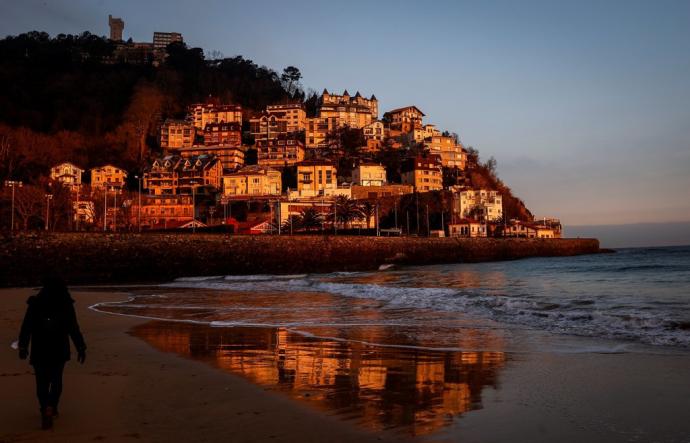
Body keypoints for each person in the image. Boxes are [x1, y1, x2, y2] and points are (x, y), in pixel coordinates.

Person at [18, 273, 86, 430]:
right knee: (56, 379)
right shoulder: (66, 304)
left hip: (40, 348)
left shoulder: (35, 303)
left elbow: (26, 326)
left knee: (41, 381)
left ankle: (44, 408)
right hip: (59, 347)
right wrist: (81, 347)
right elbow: (73, 328)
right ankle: (52, 407)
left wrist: (23, 346)